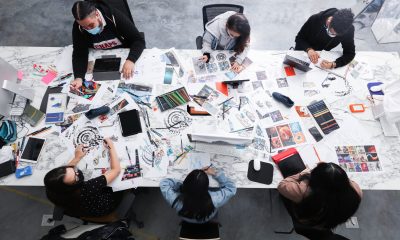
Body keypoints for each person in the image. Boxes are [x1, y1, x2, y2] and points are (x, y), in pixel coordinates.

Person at [70, 0, 145, 92]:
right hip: (98, 57)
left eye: (91, 25)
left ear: (97, 14)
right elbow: (79, 53)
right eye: (84, 27)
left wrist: (131, 60)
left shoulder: (114, 17)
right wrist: (79, 77)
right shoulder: (79, 27)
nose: (88, 29)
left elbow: (138, 40)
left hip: (123, 53)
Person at [44, 138, 122, 217]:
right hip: (104, 207)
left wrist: (77, 157)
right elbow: (116, 170)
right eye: (76, 177)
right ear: (71, 187)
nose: (77, 172)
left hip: (78, 210)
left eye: (73, 169)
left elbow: (64, 175)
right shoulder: (87, 188)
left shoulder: (52, 189)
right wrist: (111, 146)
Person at [278, 162, 362, 234]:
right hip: (331, 221)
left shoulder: (303, 191)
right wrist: (330, 171)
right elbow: (342, 181)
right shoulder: (356, 191)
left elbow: (282, 185)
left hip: (308, 221)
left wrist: (304, 172)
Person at [160, 167, 236, 224]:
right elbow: (231, 188)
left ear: (186, 183)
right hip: (207, 218)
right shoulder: (215, 199)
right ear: (207, 187)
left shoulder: (175, 199)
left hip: (187, 219)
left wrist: (182, 185)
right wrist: (216, 174)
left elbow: (164, 183)